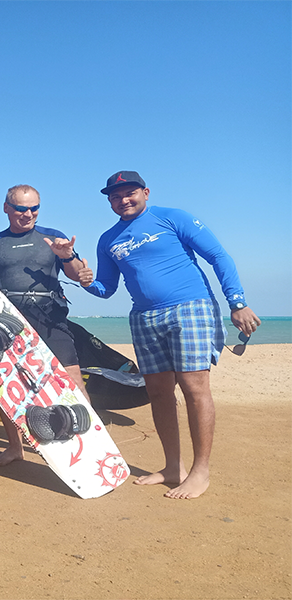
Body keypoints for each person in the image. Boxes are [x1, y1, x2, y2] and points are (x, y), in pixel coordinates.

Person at [79, 170, 260, 499]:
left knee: (194, 389)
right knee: (159, 393)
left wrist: (238, 303)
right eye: (116, 197)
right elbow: (105, 289)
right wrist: (84, 280)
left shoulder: (173, 218)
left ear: (146, 192)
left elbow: (218, 256)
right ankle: (172, 466)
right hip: (144, 317)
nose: (123, 200)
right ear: (109, 202)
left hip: (191, 308)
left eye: (130, 193)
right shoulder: (108, 240)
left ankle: (200, 471)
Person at [0, 184, 91, 466]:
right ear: (7, 208)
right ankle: (14, 447)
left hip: (49, 317)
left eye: (34, 208)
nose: (28, 214)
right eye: (21, 208)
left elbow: (77, 272)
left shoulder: (53, 237)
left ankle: (90, 442)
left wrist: (66, 255)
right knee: (5, 385)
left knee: (72, 380)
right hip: (8, 321)